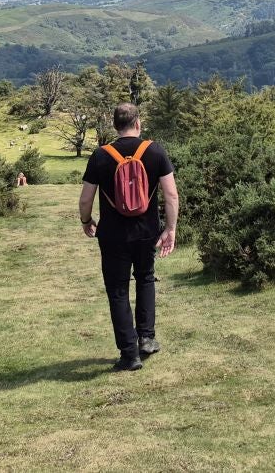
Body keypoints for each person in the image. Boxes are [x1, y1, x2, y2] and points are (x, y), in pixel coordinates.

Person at [79, 102, 179, 372]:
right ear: (138, 123)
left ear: (115, 125)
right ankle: (146, 338)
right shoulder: (155, 151)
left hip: (112, 235)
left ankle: (129, 354)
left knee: (117, 290)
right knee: (145, 278)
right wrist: (170, 229)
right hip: (147, 232)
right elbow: (171, 195)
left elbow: (86, 197)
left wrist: (86, 221)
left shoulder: (100, 156)